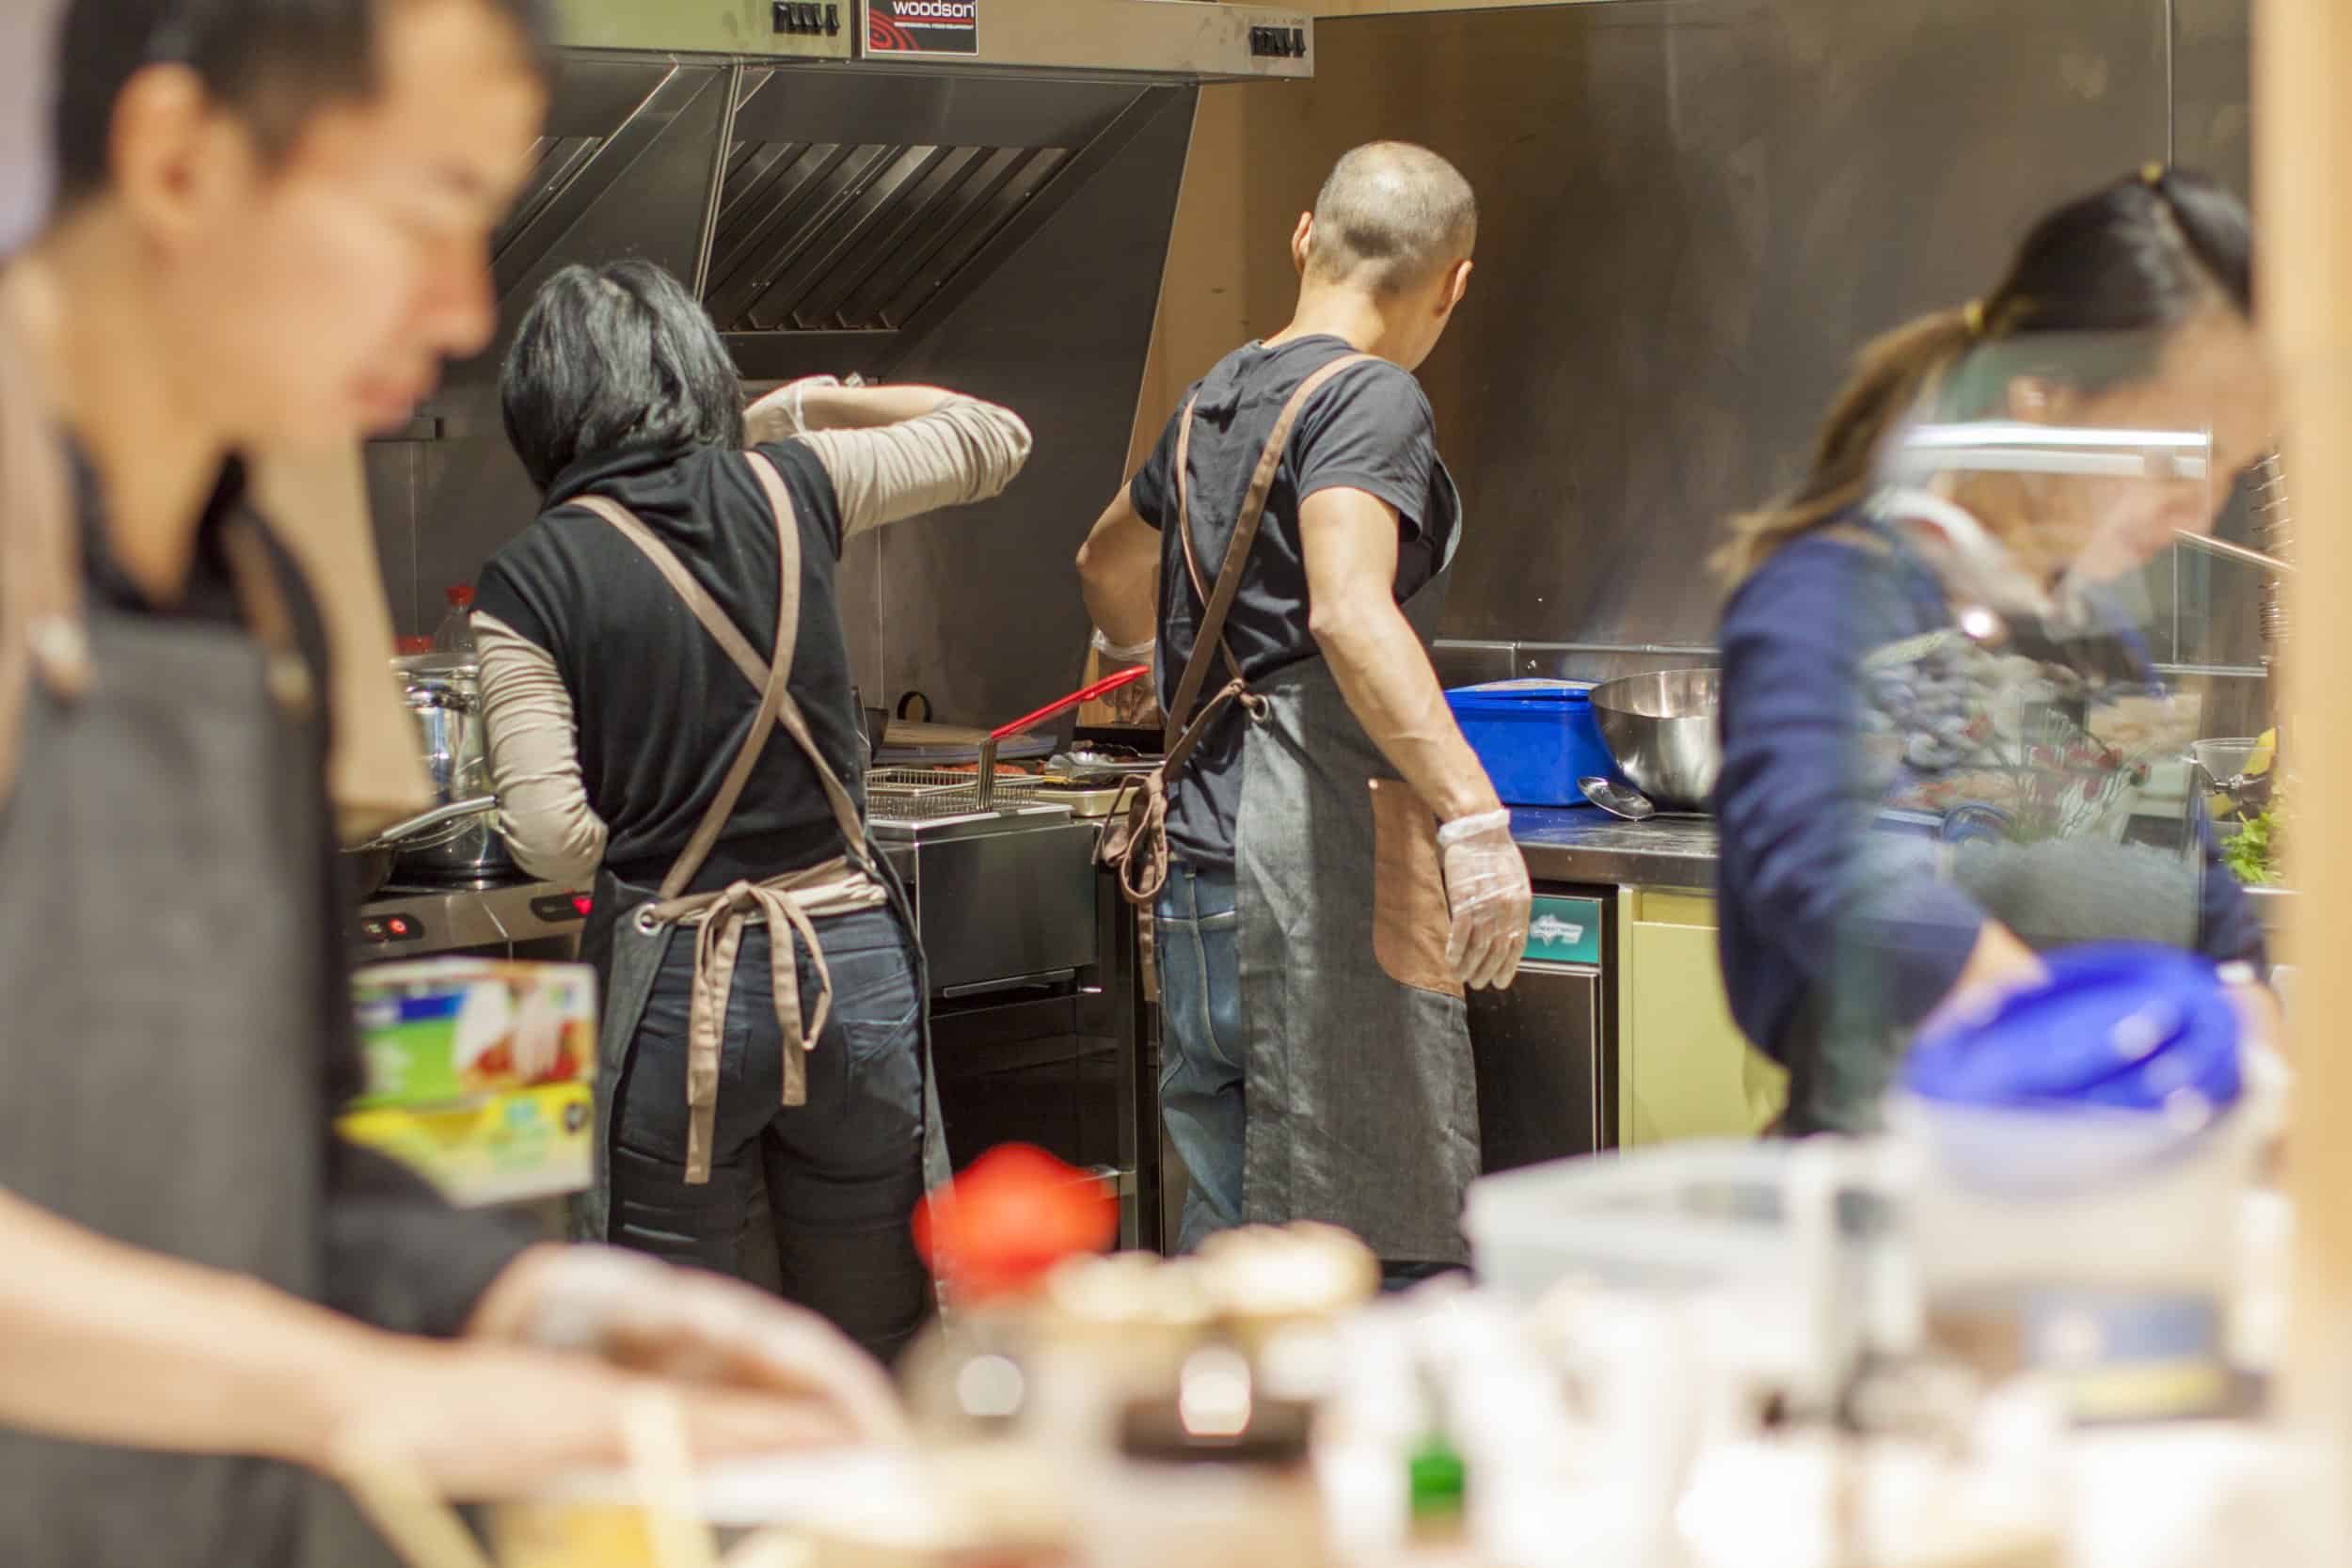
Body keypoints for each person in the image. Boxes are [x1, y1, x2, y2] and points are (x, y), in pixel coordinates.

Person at [0, 3, 902, 1561]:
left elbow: (286, 1150)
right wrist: (373, 1392)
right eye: (430, 205)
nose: (465, 305)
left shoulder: (257, 600)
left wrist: (533, 1297)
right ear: (175, 161)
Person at [473, 259, 1032, 1366]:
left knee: (688, 1363)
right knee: (877, 1336)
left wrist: (660, 850)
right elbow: (991, 434)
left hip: (675, 981)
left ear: (539, 406)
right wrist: (804, 407)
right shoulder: (797, 482)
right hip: (850, 969)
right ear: (700, 372)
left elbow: (547, 835)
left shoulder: (529, 576)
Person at [1713, 166, 2280, 1136]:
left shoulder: (2095, 641)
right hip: (1896, 1210)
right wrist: (2072, 1054)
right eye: (2173, 460)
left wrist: (2262, 1066)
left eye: (2224, 469)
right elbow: (1829, 857)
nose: (2198, 509)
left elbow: (2205, 915)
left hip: (2102, 1207)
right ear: (2041, 401)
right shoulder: (1833, 598)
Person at [1076, 142, 1532, 1280]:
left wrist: (1159, 663)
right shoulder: (1373, 397)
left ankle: (1219, 1445)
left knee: (1229, 1229)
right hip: (1307, 876)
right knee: (1339, 1253)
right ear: (1453, 283)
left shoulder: (1212, 397)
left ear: (1300, 239)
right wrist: (1473, 816)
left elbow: (1102, 561)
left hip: (1195, 873)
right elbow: (1347, 610)